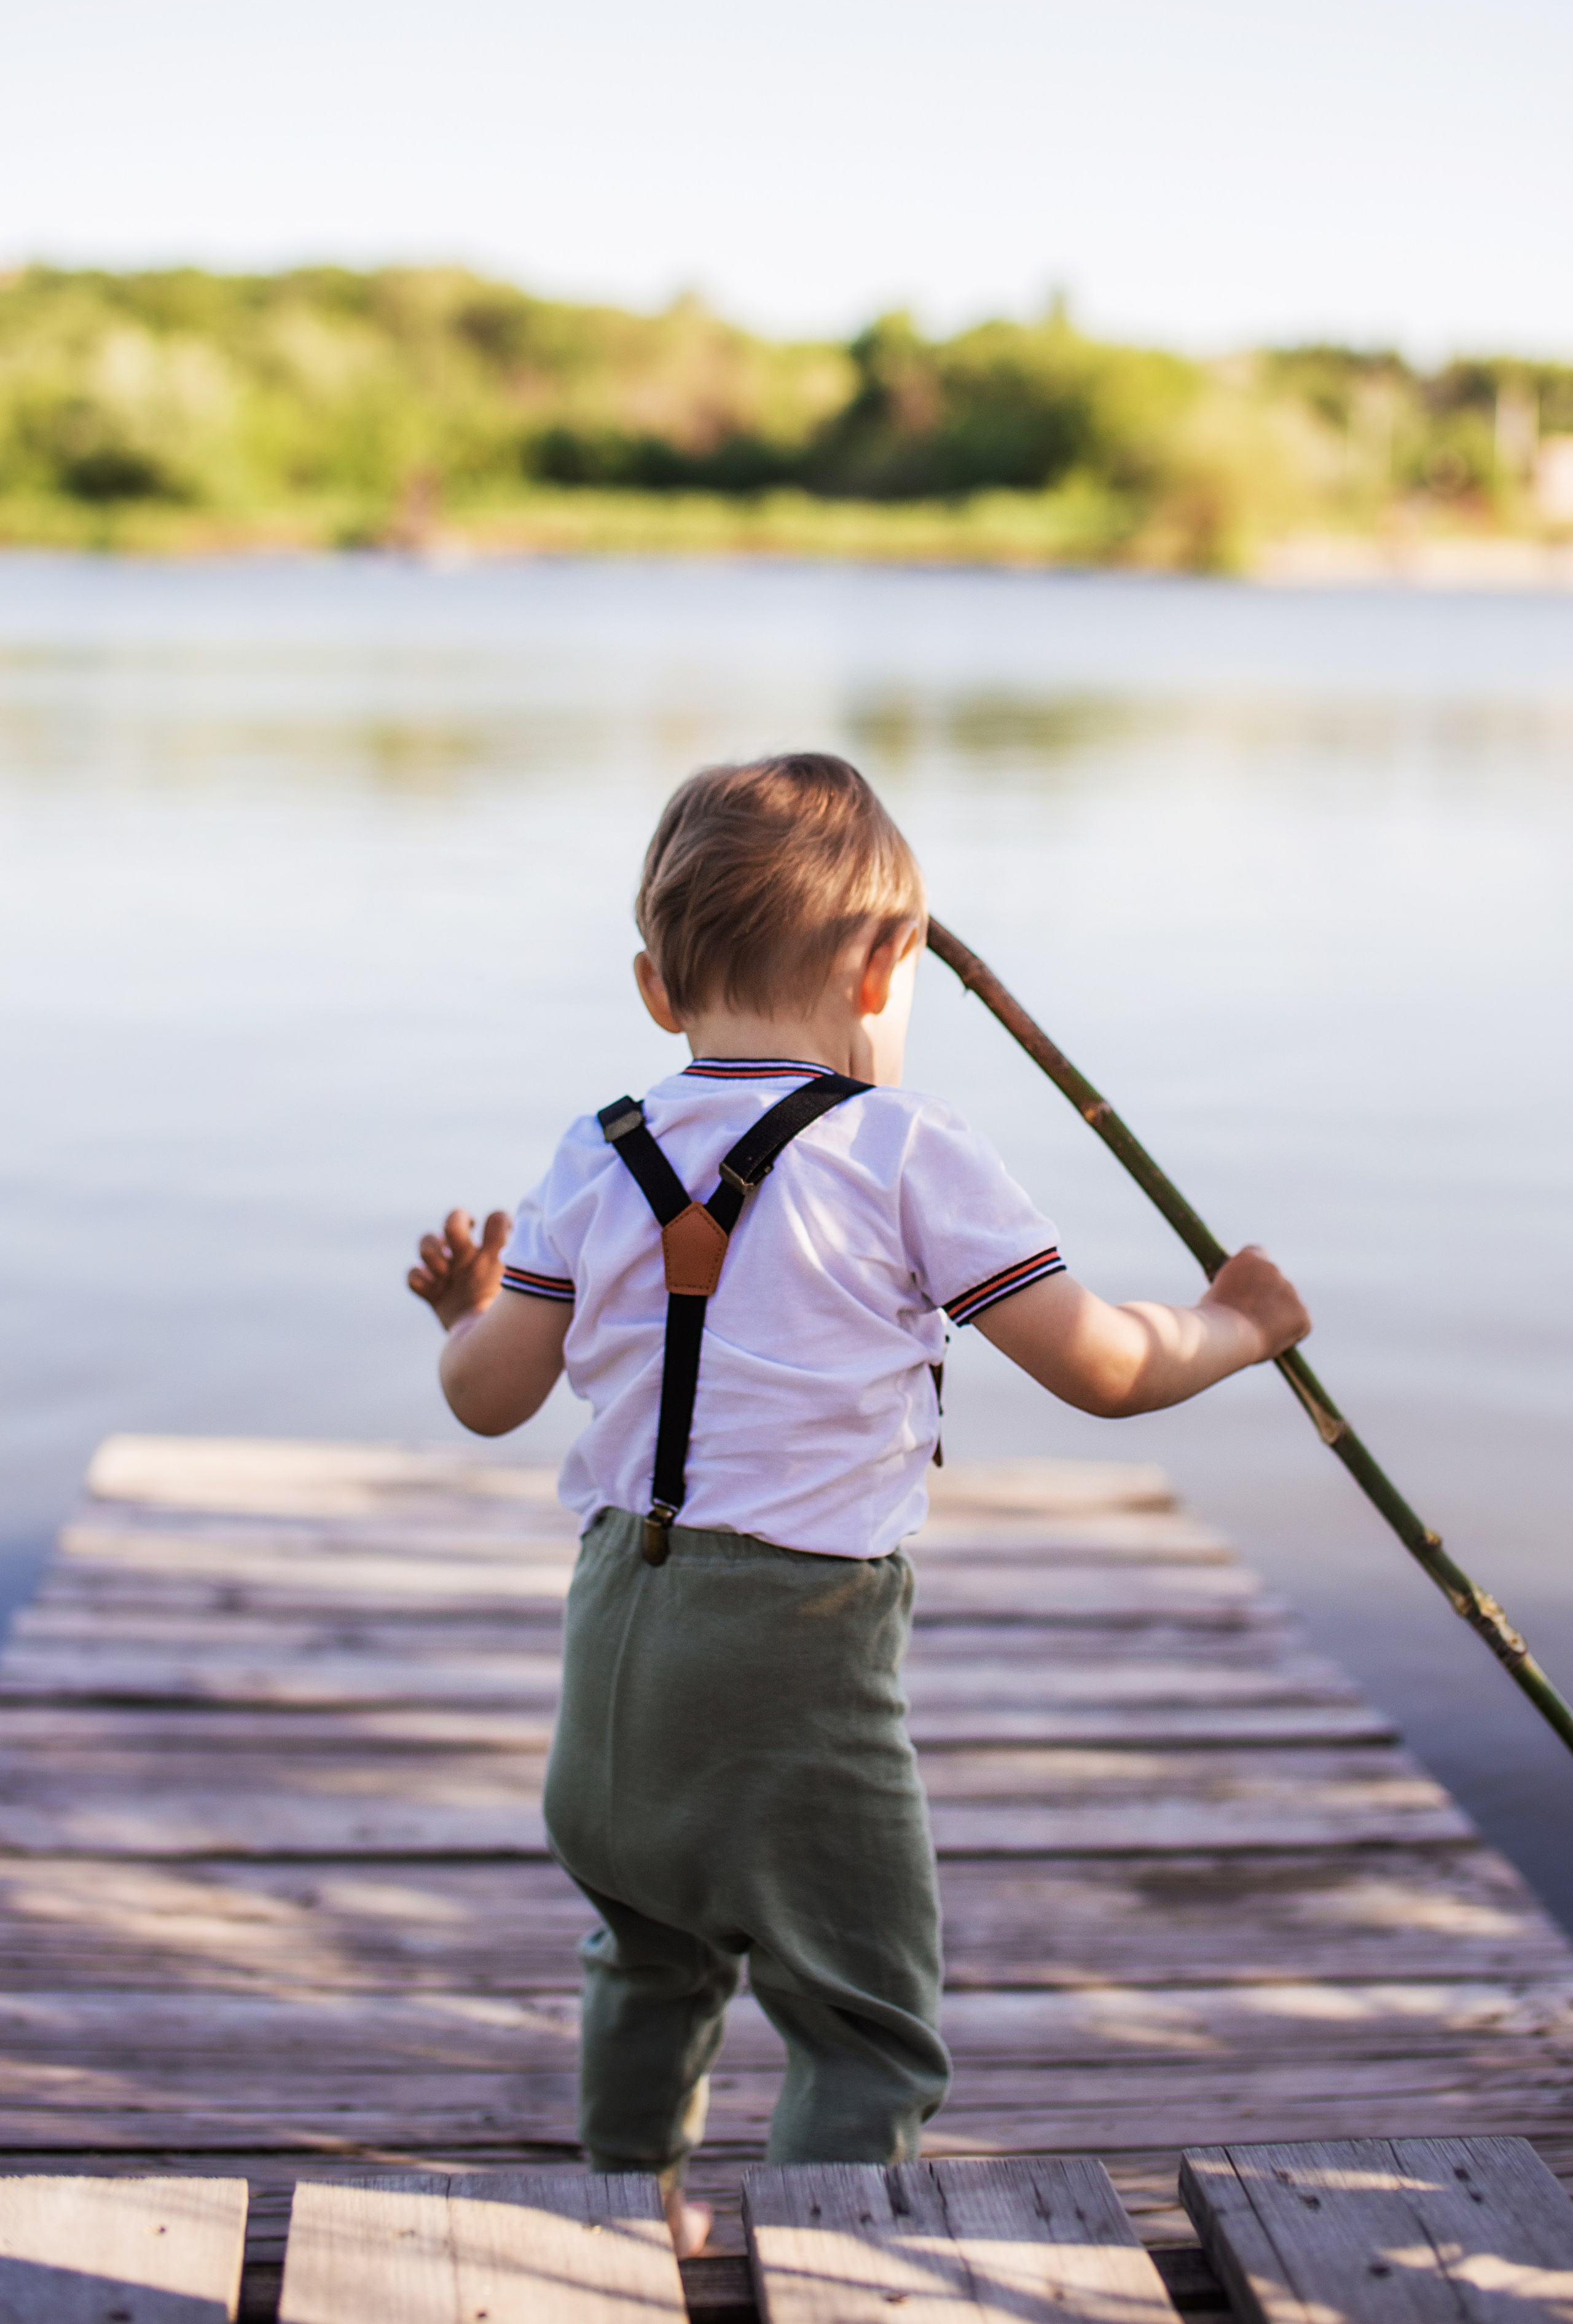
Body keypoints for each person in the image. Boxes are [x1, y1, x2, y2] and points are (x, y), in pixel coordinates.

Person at [407, 752, 1309, 2255]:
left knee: (647, 1952)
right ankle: (825, 2263)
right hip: (794, 1654)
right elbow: (1098, 1366)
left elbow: (487, 1395)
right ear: (887, 963)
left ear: (654, 986)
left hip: (615, 1637)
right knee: (868, 2026)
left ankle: (625, 2212)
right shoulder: (906, 1151)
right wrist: (1235, 1326)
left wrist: (471, 1304)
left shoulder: (598, 1149)